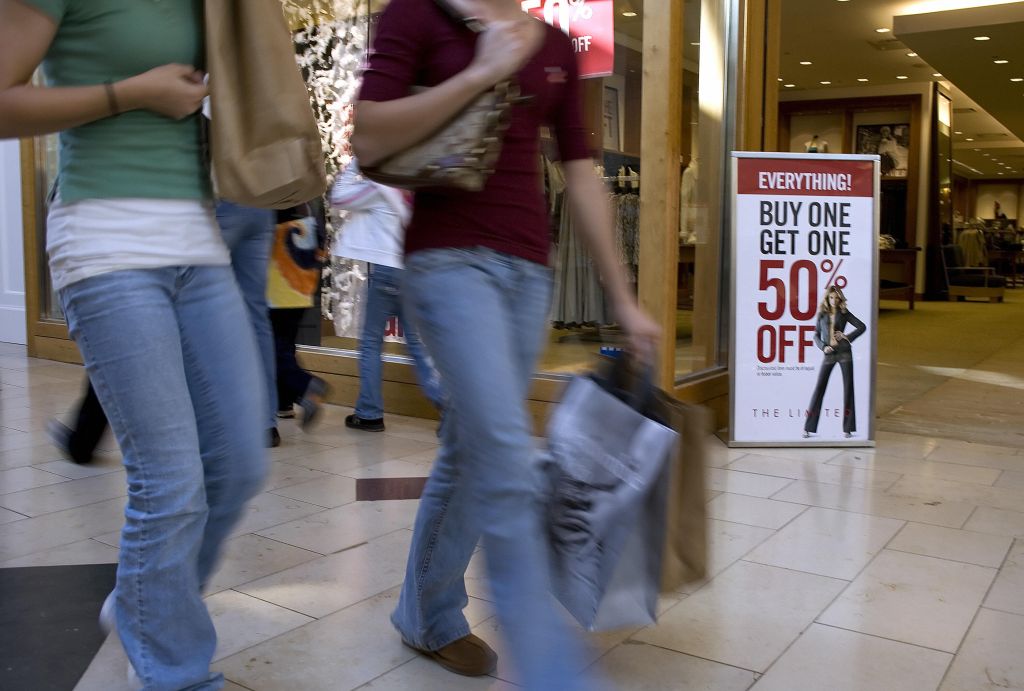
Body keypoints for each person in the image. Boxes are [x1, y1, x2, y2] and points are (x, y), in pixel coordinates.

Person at [351, 2, 660, 688]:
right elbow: (368, 137)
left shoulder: (553, 41)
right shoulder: (417, 13)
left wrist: (623, 298)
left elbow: (581, 172)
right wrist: (480, 72)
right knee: (505, 454)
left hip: (528, 270)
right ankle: (552, 670)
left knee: (472, 446)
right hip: (447, 259)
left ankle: (425, 613)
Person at [0, 2, 268, 689]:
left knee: (238, 460)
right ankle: (175, 671)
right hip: (104, 238)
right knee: (171, 481)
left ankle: (142, 602)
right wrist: (132, 93)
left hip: (199, 241)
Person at [47, 201, 282, 456]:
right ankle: (264, 425)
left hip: (215, 201)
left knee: (154, 310)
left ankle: (87, 436)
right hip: (258, 205)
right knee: (255, 316)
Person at [330, 161, 443, 432]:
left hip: (385, 271)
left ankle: (369, 412)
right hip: (410, 269)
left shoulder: (380, 188)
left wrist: (357, 161)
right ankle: (447, 406)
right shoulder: (414, 187)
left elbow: (339, 196)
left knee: (370, 342)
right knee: (415, 344)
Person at [268, 200, 328, 428]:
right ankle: (284, 403)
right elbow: (321, 240)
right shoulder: (308, 196)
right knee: (285, 342)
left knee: (269, 344)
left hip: (278, 275)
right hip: (302, 279)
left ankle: (305, 385)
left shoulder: (271, 196)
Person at [803, 285, 866, 439]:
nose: (834, 300)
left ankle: (848, 428)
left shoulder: (844, 313)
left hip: (844, 352)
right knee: (820, 388)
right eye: (831, 297)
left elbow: (862, 326)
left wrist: (847, 337)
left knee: (848, 388)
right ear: (827, 297)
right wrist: (823, 347)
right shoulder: (822, 314)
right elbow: (816, 335)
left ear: (840, 299)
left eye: (837, 298)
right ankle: (808, 427)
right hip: (829, 353)